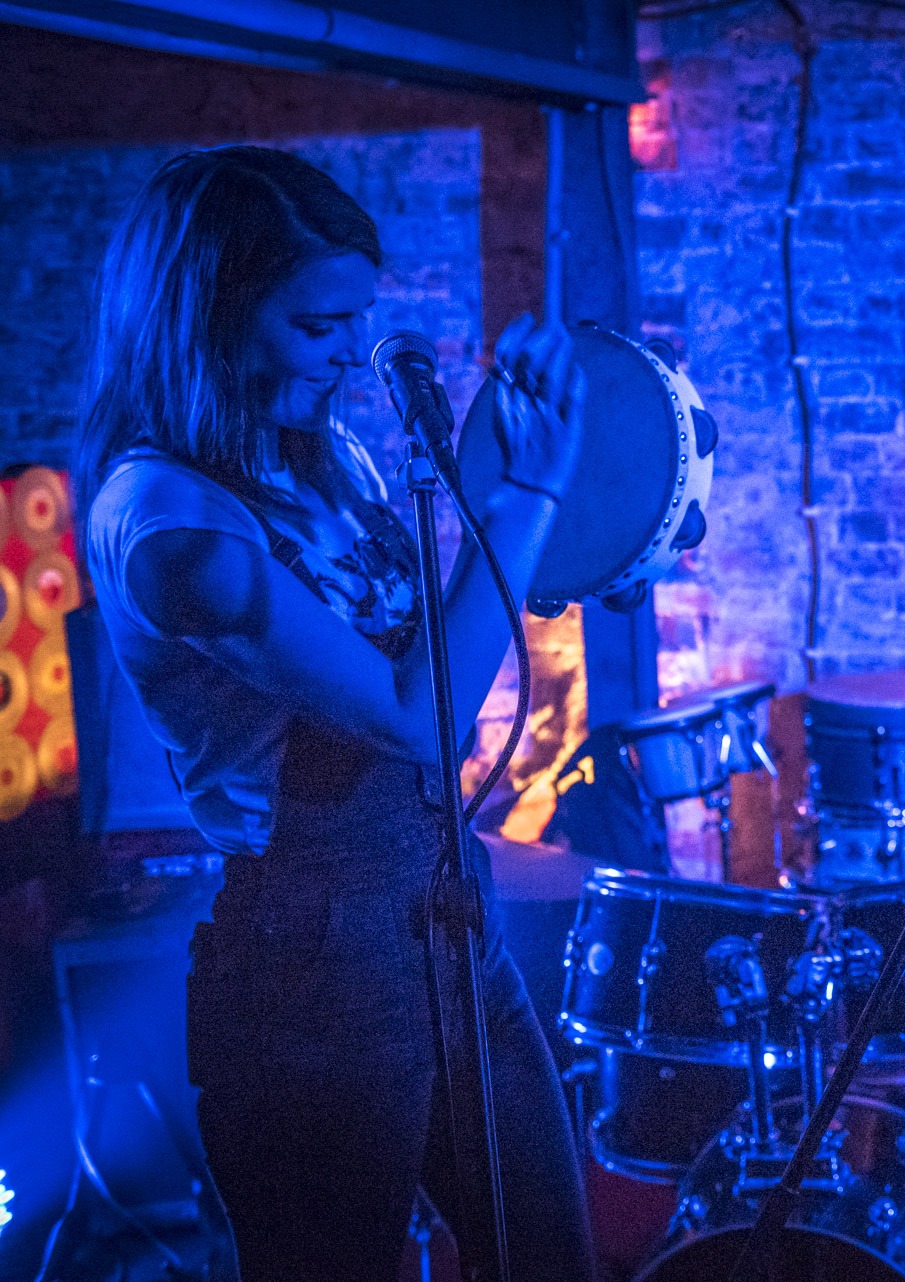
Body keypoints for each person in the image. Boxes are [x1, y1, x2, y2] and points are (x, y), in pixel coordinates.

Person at [76, 146, 593, 1279]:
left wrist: (565, 522)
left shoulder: (328, 459)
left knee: (550, 1256)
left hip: (446, 913)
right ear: (207, 319)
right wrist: (528, 498)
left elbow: (447, 630)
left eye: (359, 317)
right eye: (319, 325)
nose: (356, 351)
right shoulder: (173, 529)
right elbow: (416, 716)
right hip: (311, 963)